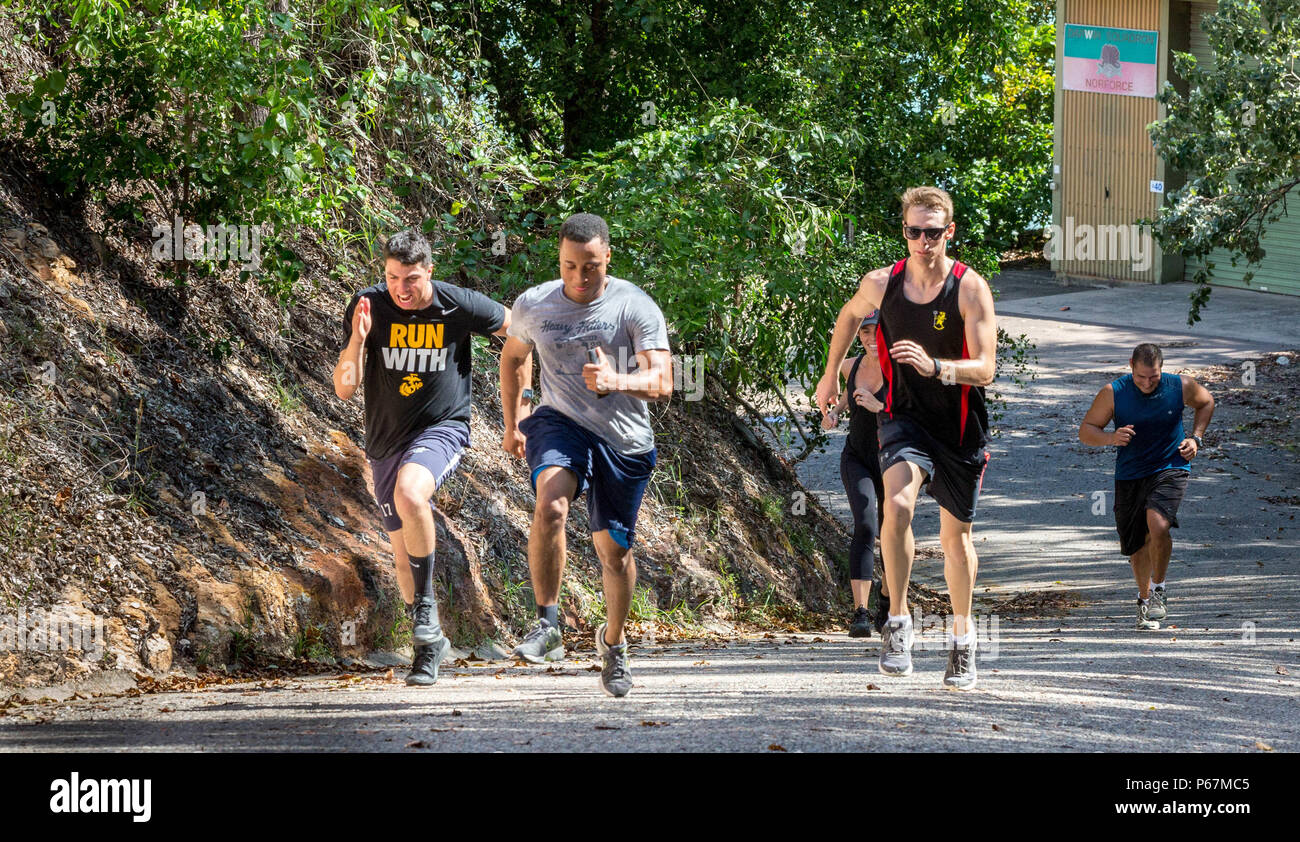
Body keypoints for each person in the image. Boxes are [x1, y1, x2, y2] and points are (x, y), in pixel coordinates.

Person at [814, 186, 996, 690]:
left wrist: (938, 367)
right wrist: (831, 374)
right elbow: (849, 316)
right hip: (902, 418)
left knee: (955, 540)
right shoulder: (881, 282)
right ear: (905, 232)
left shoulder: (969, 288)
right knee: (896, 504)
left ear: (949, 232)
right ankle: (897, 621)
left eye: (933, 232)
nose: (923, 240)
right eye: (914, 231)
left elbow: (985, 368)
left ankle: (962, 640)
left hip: (959, 427)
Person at [499, 212, 673, 698]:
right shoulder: (535, 304)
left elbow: (663, 383)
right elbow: (512, 357)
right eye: (569, 265)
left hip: (625, 439)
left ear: (607, 259)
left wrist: (618, 381)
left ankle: (614, 643)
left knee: (613, 553)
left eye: (590, 266)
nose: (579, 277)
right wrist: (516, 419)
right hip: (560, 422)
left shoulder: (635, 306)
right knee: (551, 502)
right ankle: (547, 623)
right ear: (559, 259)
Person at [332, 229, 515, 686]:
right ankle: (427, 645)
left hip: (443, 428)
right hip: (384, 441)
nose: (402, 289)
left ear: (429, 271)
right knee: (400, 557)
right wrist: (357, 341)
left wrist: (525, 396)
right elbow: (344, 387)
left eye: (411, 278)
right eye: (393, 277)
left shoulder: (457, 304)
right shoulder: (369, 306)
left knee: (412, 493)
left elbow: (518, 328)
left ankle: (428, 611)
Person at [1078, 343, 1215, 630]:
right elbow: (1086, 430)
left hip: (1171, 466)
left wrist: (1196, 438)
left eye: (1153, 377)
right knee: (1137, 546)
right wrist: (1111, 438)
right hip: (1130, 474)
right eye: (1141, 377)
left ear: (1161, 369)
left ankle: (1160, 590)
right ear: (1131, 365)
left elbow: (1206, 402)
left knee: (1159, 523)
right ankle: (1144, 599)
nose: (1147, 383)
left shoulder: (1180, 386)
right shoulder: (1113, 392)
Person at [822, 312, 889, 637]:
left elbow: (917, 410)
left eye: (875, 331)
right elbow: (847, 394)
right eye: (864, 332)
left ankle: (888, 604)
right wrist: (834, 412)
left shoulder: (902, 368)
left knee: (893, 530)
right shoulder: (850, 366)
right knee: (865, 525)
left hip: (895, 458)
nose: (869, 337)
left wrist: (880, 407)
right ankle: (860, 613)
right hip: (858, 456)